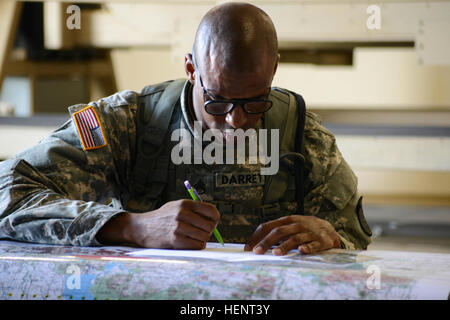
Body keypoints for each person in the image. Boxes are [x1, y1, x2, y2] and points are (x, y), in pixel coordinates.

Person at [0, 2, 372, 255]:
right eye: (218, 101)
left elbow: (355, 235)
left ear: (273, 70)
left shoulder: (300, 135)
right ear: (191, 70)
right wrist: (130, 227)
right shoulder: (128, 124)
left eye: (256, 102)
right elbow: (6, 191)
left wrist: (331, 236)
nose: (236, 120)